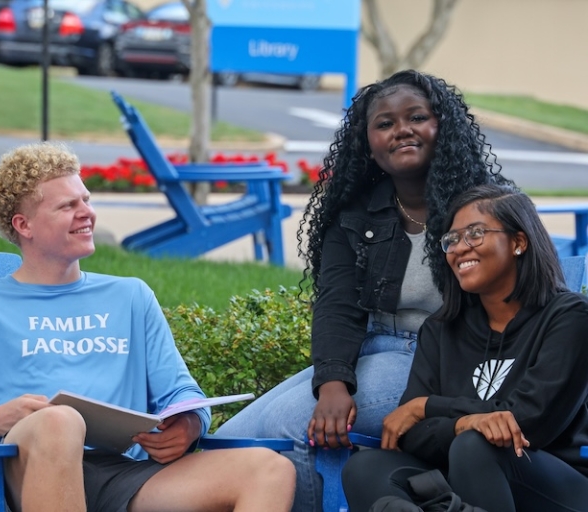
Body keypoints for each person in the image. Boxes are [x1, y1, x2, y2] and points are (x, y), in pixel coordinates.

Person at [0, 142, 296, 512]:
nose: (86, 212)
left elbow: (181, 392)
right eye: (67, 206)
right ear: (24, 225)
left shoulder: (131, 297)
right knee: (60, 420)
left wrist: (189, 424)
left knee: (268, 469)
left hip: (124, 473)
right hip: (27, 465)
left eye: (85, 199)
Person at [214, 69, 515, 511]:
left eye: (416, 117)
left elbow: (523, 303)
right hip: (373, 352)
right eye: (385, 124)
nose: (402, 130)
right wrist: (333, 382)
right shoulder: (356, 215)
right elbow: (337, 305)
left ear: (442, 128)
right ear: (369, 146)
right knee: (225, 441)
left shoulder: (486, 209)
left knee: (289, 424)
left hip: (441, 363)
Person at [342, 184, 588, 511]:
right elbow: (410, 434)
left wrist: (427, 407)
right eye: (452, 239)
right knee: (365, 467)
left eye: (475, 233)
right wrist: (460, 422)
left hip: (553, 486)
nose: (459, 248)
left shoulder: (570, 317)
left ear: (518, 242)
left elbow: (529, 422)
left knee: (476, 446)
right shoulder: (442, 329)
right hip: (463, 480)